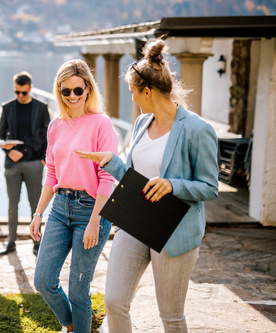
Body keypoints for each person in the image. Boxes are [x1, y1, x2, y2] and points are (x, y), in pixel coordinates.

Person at [76, 38, 219, 332]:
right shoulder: (142, 123)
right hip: (135, 221)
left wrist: (172, 185)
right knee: (115, 302)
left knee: (170, 315)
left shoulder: (197, 129)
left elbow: (209, 186)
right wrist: (111, 161)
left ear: (148, 91)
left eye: (132, 92)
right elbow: (134, 174)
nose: (131, 98)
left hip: (174, 231)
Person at [30, 59, 118, 333]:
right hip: (60, 207)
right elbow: (52, 174)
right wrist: (37, 214)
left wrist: (94, 221)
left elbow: (107, 177)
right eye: (65, 91)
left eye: (77, 91)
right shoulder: (55, 126)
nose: (72, 97)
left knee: (79, 289)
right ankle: (70, 326)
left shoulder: (101, 124)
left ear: (88, 89)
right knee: (43, 280)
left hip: (92, 210)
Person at [0, 71, 50, 256]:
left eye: (23, 92)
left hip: (35, 164)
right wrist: (8, 151)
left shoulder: (41, 108)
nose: (20, 96)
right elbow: (1, 135)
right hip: (12, 165)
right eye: (17, 92)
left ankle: (37, 243)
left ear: (31, 89)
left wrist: (44, 158)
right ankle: (11, 242)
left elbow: (49, 135)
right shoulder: (7, 108)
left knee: (35, 205)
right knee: (13, 204)